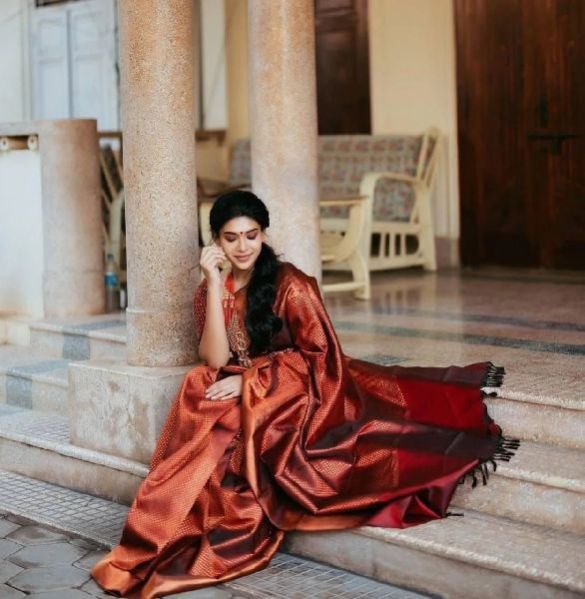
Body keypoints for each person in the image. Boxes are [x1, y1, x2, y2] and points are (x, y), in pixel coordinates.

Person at [91, 190, 517, 598]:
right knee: (197, 389)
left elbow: (321, 356)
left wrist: (252, 381)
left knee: (230, 427)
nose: (243, 247)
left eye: (251, 235)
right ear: (216, 242)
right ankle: (164, 525)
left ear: (264, 234)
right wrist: (214, 284)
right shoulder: (212, 288)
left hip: (299, 391)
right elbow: (215, 357)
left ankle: (208, 524)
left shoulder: (291, 285)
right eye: (231, 238)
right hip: (257, 387)